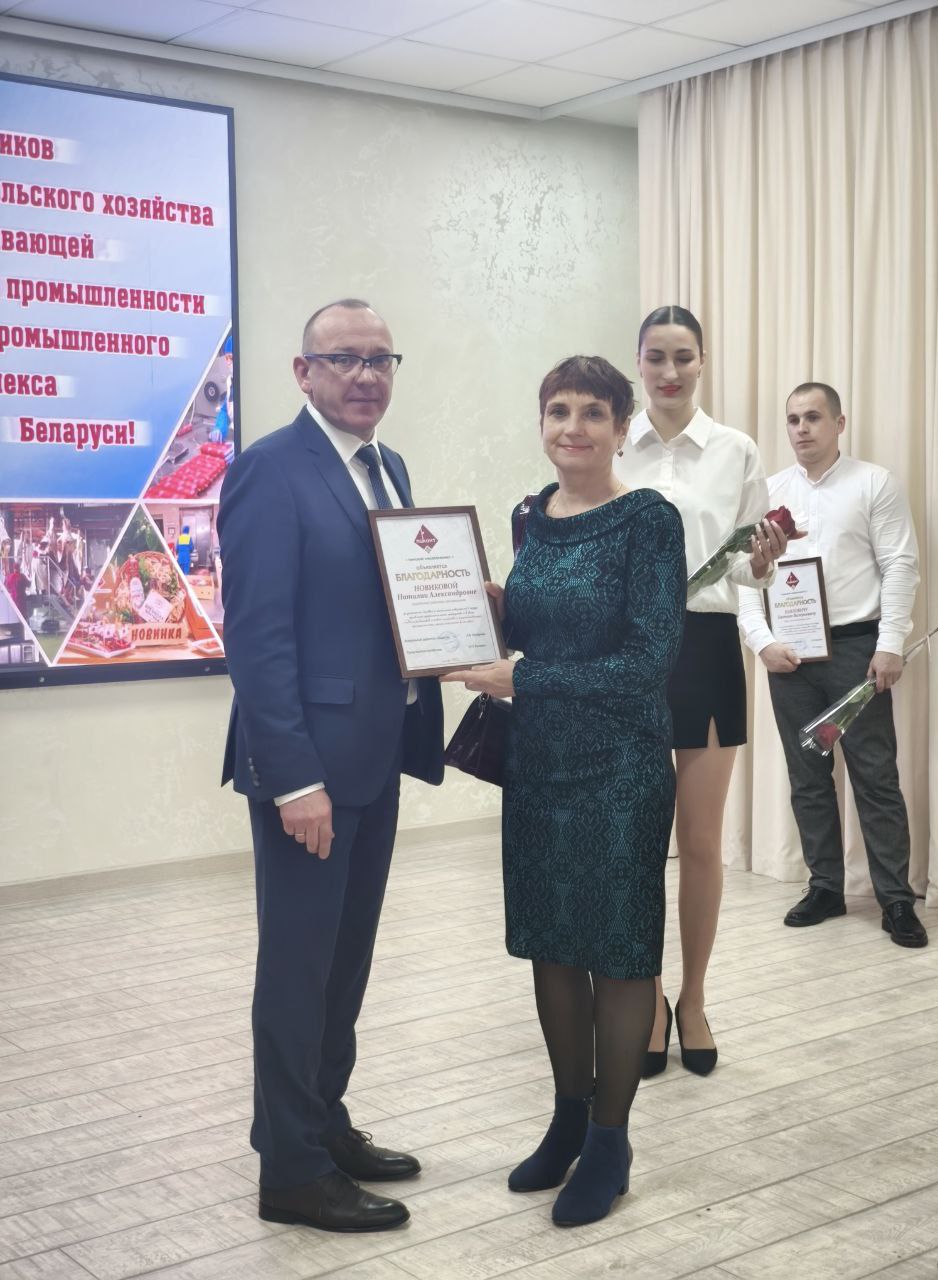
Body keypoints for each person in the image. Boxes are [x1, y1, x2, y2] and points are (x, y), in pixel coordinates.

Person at [217, 299, 445, 1233]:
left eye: (380, 359)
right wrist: (294, 779)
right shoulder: (270, 470)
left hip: (376, 759)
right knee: (297, 969)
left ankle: (319, 1120)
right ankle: (293, 1173)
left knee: (345, 964)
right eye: (344, 359)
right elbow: (257, 638)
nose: (365, 375)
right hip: (309, 774)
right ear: (302, 372)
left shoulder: (388, 466)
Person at [442, 356, 686, 1226]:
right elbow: (538, 625)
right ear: (541, 422)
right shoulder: (529, 515)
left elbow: (648, 661)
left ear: (622, 427)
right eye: (558, 411)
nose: (572, 427)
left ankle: (611, 1142)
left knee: (617, 950)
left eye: (592, 413)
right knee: (552, 944)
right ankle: (568, 1120)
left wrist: (527, 678)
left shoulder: (650, 520)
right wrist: (484, 605)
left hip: (621, 768)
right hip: (539, 765)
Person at [614, 305, 786, 1078]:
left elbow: (747, 564)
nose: (670, 372)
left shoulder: (736, 449)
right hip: (629, 651)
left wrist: (765, 561)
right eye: (657, 357)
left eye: (683, 357)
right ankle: (647, 999)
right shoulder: (615, 443)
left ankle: (695, 998)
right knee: (638, 843)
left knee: (703, 842)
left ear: (703, 361)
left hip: (708, 646)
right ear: (639, 362)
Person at [738, 382, 925, 946]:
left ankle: (896, 899)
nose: (801, 428)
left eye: (814, 417)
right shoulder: (767, 492)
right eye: (793, 419)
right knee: (808, 777)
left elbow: (900, 564)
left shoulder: (874, 483)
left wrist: (889, 643)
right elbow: (746, 577)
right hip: (789, 657)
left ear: (839, 423)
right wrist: (761, 642)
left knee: (875, 776)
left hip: (856, 651)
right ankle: (825, 887)